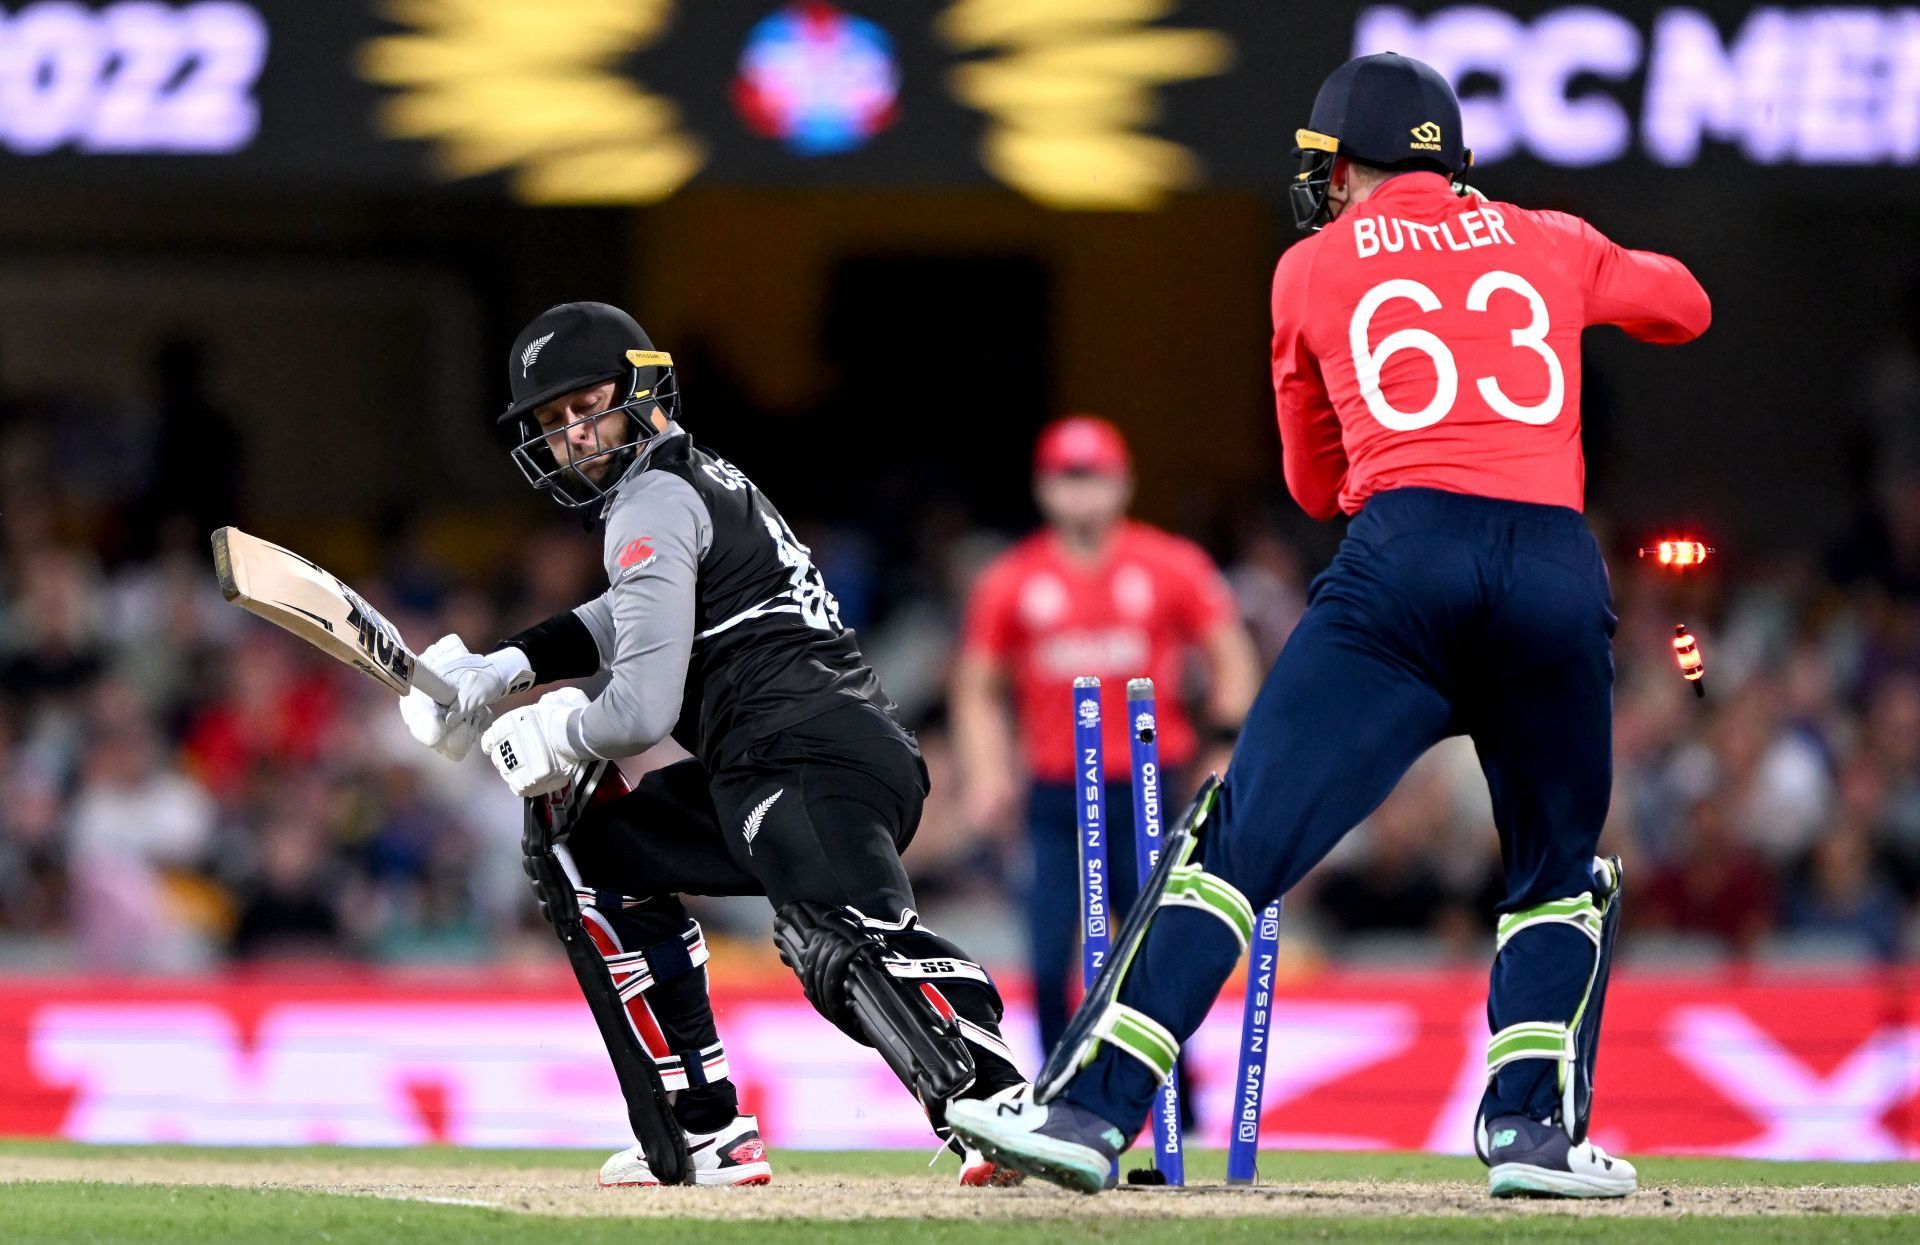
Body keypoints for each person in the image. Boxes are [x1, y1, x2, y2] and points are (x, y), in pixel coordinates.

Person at [949, 52, 1710, 1197]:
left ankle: (1090, 1113)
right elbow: (1687, 307)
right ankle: (1533, 1140)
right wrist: (1568, 260)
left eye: (1331, 167)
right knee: (1556, 871)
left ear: (1347, 165)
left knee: (1237, 848)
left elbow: (1313, 489)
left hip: (1400, 573)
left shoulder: (1309, 267)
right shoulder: (1549, 236)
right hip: (1554, 572)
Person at [400, 302, 1028, 1187]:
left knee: (833, 937)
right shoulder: (687, 483)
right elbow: (623, 618)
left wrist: (560, 726)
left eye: (586, 407)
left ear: (641, 392)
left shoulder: (651, 500)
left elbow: (637, 714)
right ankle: (701, 1126)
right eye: (551, 424)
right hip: (785, 760)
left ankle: (999, 1100)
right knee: (588, 848)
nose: (574, 438)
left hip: (803, 754)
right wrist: (501, 668)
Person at [950, 415, 1258, 1061]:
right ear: (1043, 488)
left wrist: (1224, 751)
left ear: (1124, 484)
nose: (1082, 495)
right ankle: (1058, 1092)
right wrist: (986, 772)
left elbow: (1232, 655)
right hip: (1055, 797)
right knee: (1045, 952)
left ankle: (1179, 1100)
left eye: (1095, 479)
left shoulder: (1169, 564)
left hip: (1148, 788)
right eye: (1068, 479)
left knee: (1157, 951)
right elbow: (977, 684)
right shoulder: (1012, 579)